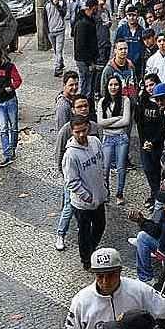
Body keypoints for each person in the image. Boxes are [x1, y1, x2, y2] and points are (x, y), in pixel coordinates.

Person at [55, 95, 100, 251]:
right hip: (73, 177)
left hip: (90, 176)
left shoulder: (94, 127)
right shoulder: (66, 130)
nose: (83, 109)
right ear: (73, 110)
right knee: (69, 206)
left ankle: (89, 244)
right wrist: (66, 175)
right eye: (79, 107)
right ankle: (61, 233)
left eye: (85, 106)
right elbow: (60, 155)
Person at [62, 116, 107, 269]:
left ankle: (91, 248)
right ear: (72, 132)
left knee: (100, 225)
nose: (81, 134)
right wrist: (86, 196)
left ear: (88, 128)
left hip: (99, 197)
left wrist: (104, 186)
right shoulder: (70, 155)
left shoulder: (95, 142)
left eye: (83, 130)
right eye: (77, 132)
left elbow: (101, 164)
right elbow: (71, 181)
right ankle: (86, 259)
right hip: (82, 203)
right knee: (84, 231)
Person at [97, 75, 131, 204]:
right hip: (107, 138)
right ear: (107, 86)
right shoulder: (102, 101)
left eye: (116, 84)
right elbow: (100, 122)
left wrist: (107, 123)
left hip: (121, 137)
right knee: (105, 168)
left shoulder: (125, 100)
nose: (113, 87)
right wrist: (116, 119)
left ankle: (119, 193)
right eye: (111, 84)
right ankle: (106, 192)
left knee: (121, 167)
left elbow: (126, 121)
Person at [136, 71, 165, 203]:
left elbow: (163, 126)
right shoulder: (143, 101)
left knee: (158, 171)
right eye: (147, 86)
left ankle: (158, 197)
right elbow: (139, 123)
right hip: (145, 143)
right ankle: (154, 194)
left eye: (152, 84)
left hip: (158, 143)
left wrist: (154, 142)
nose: (149, 88)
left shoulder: (162, 102)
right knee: (148, 170)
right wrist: (144, 141)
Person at [73, 0, 99, 99]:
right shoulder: (83, 24)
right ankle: (83, 102)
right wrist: (90, 62)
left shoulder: (88, 20)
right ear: (93, 7)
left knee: (88, 83)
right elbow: (81, 46)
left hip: (86, 59)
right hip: (84, 60)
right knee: (86, 84)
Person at [115, 6, 145, 78]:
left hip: (138, 64)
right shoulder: (121, 29)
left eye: (134, 15)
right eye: (129, 15)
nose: (131, 17)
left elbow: (143, 47)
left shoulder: (142, 31)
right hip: (123, 63)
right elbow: (116, 46)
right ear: (126, 16)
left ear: (138, 16)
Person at [45, 0, 67, 77]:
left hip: (60, 30)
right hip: (51, 31)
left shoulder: (62, 4)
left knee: (58, 51)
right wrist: (47, 31)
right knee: (56, 50)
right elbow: (45, 19)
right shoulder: (47, 6)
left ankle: (57, 69)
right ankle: (60, 63)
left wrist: (58, 5)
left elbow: (64, 13)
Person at [95, 0, 112, 96]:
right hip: (99, 43)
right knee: (100, 68)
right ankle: (97, 89)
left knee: (105, 66)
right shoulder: (96, 11)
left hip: (106, 41)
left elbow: (108, 22)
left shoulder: (106, 9)